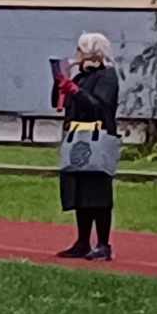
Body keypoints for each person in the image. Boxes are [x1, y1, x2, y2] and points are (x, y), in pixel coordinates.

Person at [54, 32, 119, 262]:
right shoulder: (81, 76)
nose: (77, 55)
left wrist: (74, 90)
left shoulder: (107, 76)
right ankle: (82, 242)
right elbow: (59, 103)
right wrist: (60, 83)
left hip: (98, 138)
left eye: (80, 50)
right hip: (78, 137)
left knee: (98, 191)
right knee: (79, 190)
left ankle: (103, 244)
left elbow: (99, 107)